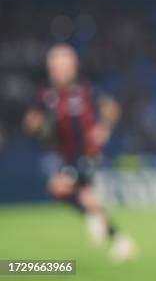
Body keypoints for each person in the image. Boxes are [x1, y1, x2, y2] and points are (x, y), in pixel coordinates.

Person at [23, 43, 137, 261]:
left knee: (58, 188)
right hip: (66, 155)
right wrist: (35, 124)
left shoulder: (86, 90)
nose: (60, 70)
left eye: (64, 65)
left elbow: (111, 108)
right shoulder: (47, 95)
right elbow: (31, 122)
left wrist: (103, 128)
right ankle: (120, 241)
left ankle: (105, 229)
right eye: (56, 66)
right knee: (86, 199)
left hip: (88, 153)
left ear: (73, 66)